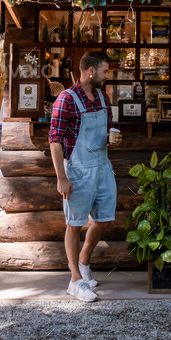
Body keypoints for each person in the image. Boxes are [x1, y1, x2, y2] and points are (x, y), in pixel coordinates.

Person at [49, 50, 122, 302]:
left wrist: (113, 137)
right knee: (74, 224)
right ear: (91, 71)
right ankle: (75, 279)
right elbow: (55, 141)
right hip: (78, 170)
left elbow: (108, 127)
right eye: (104, 71)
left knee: (104, 218)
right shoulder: (66, 99)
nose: (106, 75)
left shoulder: (103, 97)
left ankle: (83, 261)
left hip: (103, 166)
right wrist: (61, 177)